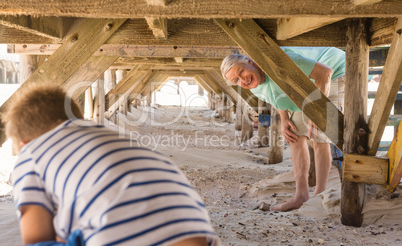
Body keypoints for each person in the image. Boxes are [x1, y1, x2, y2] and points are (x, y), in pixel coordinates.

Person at [4, 84, 220, 246]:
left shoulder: (31, 153)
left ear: (23, 144)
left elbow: (36, 240)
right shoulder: (117, 138)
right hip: (197, 231)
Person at [220, 47, 345, 212]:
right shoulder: (254, 85)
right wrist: (285, 119)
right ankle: (301, 195)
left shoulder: (280, 60)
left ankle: (319, 194)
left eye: (241, 72)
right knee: (294, 134)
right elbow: (276, 94)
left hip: (334, 70)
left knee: (318, 134)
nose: (242, 80)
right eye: (236, 80)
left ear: (250, 61)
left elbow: (325, 73)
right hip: (304, 83)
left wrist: (317, 111)